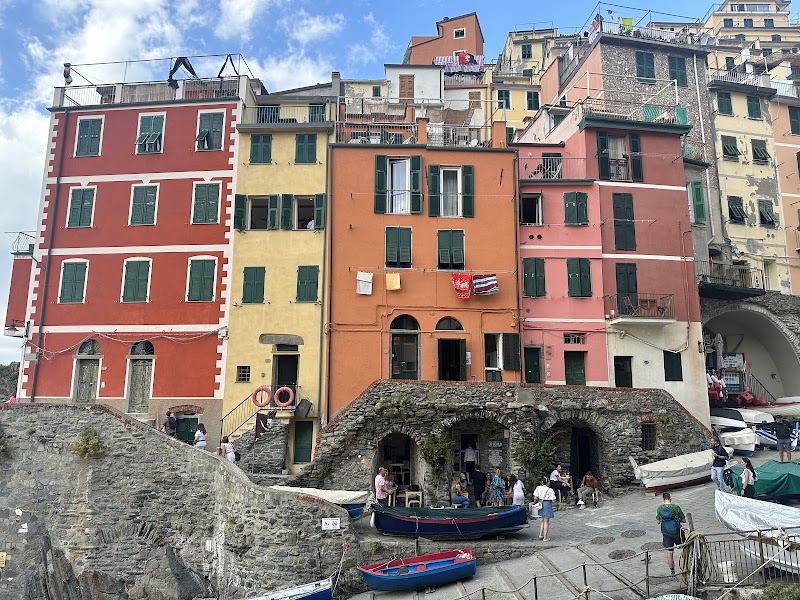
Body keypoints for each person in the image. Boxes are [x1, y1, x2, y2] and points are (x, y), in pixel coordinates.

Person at [656, 492, 686, 579]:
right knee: (685, 548)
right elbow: (684, 520)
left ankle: (672, 573)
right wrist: (679, 520)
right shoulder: (676, 507)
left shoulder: (659, 508)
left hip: (666, 533)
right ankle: (686, 567)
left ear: (663, 499)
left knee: (669, 552)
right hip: (677, 533)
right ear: (670, 499)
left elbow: (658, 522)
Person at [533, 477, 556, 541]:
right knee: (546, 521)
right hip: (547, 504)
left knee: (542, 520)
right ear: (548, 482)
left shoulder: (538, 488)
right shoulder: (550, 490)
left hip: (540, 503)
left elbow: (535, 497)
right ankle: (545, 537)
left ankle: (541, 534)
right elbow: (553, 499)